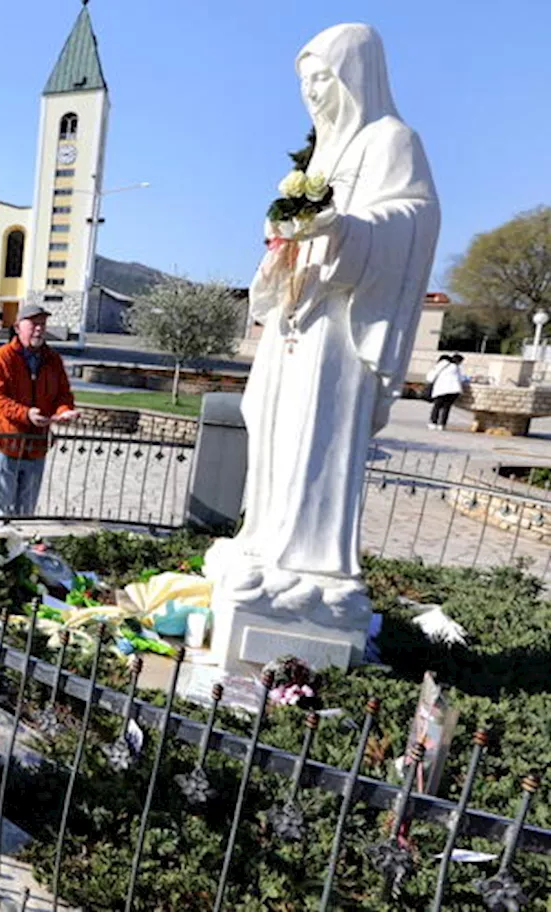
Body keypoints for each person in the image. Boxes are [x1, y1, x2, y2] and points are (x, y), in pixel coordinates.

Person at [211, 24, 440, 593]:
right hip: (296, 313)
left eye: (322, 78)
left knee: (313, 435)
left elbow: (414, 220)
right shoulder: (323, 154)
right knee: (267, 418)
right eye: (305, 82)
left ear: (354, 76)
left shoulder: (392, 139)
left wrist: (344, 230)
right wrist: (284, 236)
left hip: (338, 329)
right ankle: (263, 536)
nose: (312, 92)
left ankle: (308, 560)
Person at [0, 302, 79, 516]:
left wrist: (64, 410)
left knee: (26, 511)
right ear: (17, 327)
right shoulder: (1, 358)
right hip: (7, 444)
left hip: (36, 446)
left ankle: (20, 547)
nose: (39, 328)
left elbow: (63, 394)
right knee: (0, 511)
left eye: (43, 324)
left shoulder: (53, 360)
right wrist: (25, 414)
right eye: (33, 324)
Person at [426, 353, 465, 430]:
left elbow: (430, 377)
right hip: (454, 390)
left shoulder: (441, 365)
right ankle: (442, 424)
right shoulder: (456, 367)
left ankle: (433, 423)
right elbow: (461, 379)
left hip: (441, 389)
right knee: (446, 407)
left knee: (437, 406)